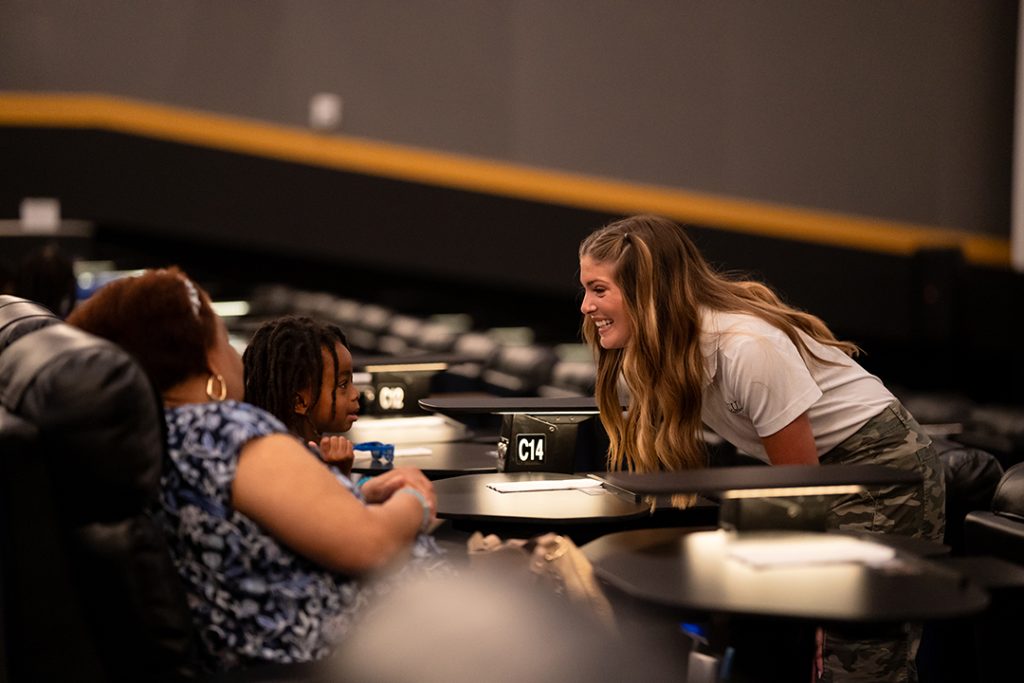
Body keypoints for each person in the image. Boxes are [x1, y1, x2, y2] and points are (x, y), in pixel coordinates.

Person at [578, 215, 944, 683]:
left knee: (856, 658)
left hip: (878, 469)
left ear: (648, 292)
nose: (586, 305)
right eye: (585, 289)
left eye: (599, 289)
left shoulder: (746, 348)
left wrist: (816, 605)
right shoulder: (656, 351)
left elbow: (803, 484)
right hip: (813, 475)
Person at [67, 267, 440, 673]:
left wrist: (358, 494)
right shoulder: (226, 431)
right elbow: (372, 545)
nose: (235, 357)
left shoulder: (165, 436)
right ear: (208, 359)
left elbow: (248, 523)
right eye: (225, 340)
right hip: (354, 654)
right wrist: (414, 497)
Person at [242, 315, 360, 476]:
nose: (355, 394)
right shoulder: (284, 465)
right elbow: (325, 501)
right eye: (343, 384)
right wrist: (338, 473)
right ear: (299, 401)